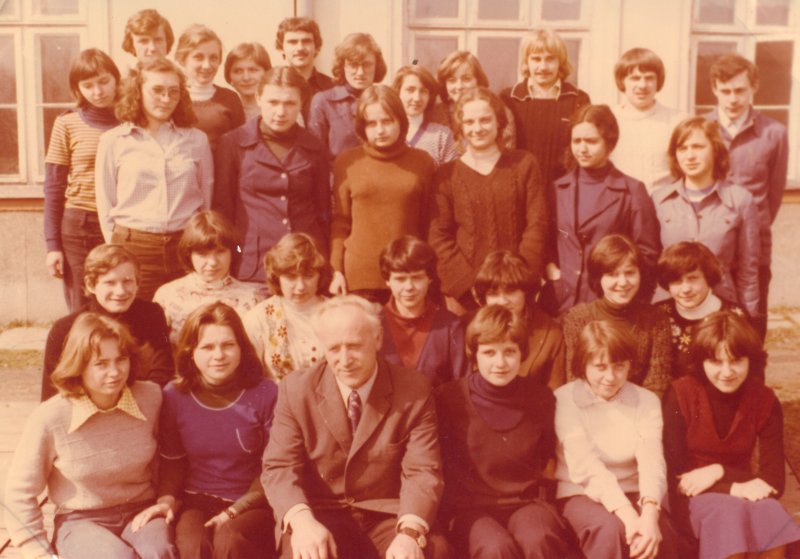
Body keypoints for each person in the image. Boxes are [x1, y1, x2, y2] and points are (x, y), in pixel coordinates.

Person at [261, 295, 449, 559]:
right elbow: (280, 467)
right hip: (320, 514)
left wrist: (409, 533)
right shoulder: (296, 389)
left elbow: (422, 470)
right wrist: (302, 522)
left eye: (354, 346)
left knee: (431, 552)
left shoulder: (413, 390)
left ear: (378, 339)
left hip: (388, 515)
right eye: (334, 348)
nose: (345, 359)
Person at [4, 313, 176, 559]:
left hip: (142, 510)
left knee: (160, 553)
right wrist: (39, 553)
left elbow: (172, 458)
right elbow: (19, 494)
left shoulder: (151, 398)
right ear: (79, 366)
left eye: (121, 359)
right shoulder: (51, 417)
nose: (114, 372)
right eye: (101, 364)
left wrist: (166, 501)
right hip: (81, 520)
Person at [131, 302, 278, 559]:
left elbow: (274, 466)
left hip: (253, 500)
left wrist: (234, 511)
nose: (219, 355)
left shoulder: (266, 392)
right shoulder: (175, 395)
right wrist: (166, 500)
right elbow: (173, 460)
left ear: (242, 348)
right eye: (207, 347)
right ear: (191, 352)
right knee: (193, 547)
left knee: (230, 541)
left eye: (228, 345)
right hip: (197, 500)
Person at [436, 305, 574, 558]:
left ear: (522, 353)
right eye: (489, 352)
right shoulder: (449, 398)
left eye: (509, 351)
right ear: (474, 354)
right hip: (469, 509)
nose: (500, 363)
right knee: (495, 547)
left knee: (538, 538)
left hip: (527, 503)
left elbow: (547, 455)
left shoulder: (541, 398)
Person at [662, 311, 800, 559]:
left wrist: (720, 472)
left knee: (771, 513)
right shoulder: (681, 394)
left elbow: (774, 481)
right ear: (702, 362)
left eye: (736, 360)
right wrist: (732, 488)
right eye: (716, 361)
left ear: (751, 360)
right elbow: (678, 479)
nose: (726, 372)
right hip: (691, 498)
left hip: (742, 489)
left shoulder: (764, 399)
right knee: (729, 514)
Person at [555, 320, 679, 559]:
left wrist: (649, 513)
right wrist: (629, 516)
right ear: (583, 364)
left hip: (636, 492)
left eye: (619, 366)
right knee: (611, 529)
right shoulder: (565, 399)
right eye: (600, 367)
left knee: (660, 534)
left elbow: (652, 460)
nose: (610, 377)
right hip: (581, 493)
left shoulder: (646, 400)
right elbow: (586, 466)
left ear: (630, 365)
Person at [95, 57, 213, 301]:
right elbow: (105, 204)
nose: (166, 98)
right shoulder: (113, 141)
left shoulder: (197, 140)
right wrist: (117, 252)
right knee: (136, 318)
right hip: (134, 246)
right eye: (157, 90)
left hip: (185, 246)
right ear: (138, 91)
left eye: (173, 92)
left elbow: (206, 200)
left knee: (189, 317)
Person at [428, 87, 546, 314]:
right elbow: (439, 236)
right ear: (460, 127)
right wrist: (467, 287)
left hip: (515, 293)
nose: (477, 128)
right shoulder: (446, 174)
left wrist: (519, 281)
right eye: (469, 122)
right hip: (465, 296)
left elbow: (537, 225)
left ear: (499, 122)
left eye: (485, 120)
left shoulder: (524, 164)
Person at [542, 103, 660, 317]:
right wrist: (553, 272)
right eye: (576, 141)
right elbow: (547, 242)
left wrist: (627, 302)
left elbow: (647, 256)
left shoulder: (632, 191)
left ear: (610, 143)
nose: (582, 149)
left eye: (591, 141)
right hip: (562, 304)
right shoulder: (558, 189)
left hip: (609, 307)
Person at [214, 66, 329, 283]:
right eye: (273, 102)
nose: (281, 112)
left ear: (302, 103)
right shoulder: (233, 143)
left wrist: (322, 260)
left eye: (290, 103)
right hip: (252, 263)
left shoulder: (315, 146)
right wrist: (235, 257)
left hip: (303, 265)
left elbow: (323, 214)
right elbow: (223, 212)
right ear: (258, 98)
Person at [704, 53, 789, 338]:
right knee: (708, 328)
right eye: (725, 91)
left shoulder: (774, 133)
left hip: (754, 247)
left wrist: (751, 227)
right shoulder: (701, 129)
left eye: (740, 90)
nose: (733, 99)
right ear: (714, 89)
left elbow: (774, 195)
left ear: (754, 87)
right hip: (711, 244)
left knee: (752, 324)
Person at [329, 84, 435, 303]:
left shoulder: (422, 162)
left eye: (387, 121)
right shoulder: (347, 162)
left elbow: (429, 222)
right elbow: (340, 221)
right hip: (360, 277)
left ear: (400, 121)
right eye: (372, 123)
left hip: (408, 275)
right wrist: (336, 270)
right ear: (362, 127)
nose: (380, 130)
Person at [654, 118, 761, 321]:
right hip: (669, 311)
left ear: (715, 150)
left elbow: (748, 270)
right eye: (682, 148)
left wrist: (749, 319)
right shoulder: (659, 200)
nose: (690, 156)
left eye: (698, 147)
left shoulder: (740, 200)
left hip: (720, 311)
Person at [41, 244, 173, 401]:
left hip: (142, 401)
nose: (121, 291)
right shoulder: (65, 328)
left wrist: (146, 401)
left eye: (128, 281)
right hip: (86, 406)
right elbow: (52, 390)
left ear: (137, 282)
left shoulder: (151, 314)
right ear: (91, 285)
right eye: (110, 283)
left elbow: (162, 368)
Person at [44, 48, 121, 312]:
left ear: (116, 79)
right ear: (77, 89)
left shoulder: (133, 120)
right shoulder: (67, 123)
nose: (98, 92)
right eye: (88, 85)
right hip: (80, 225)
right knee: (83, 305)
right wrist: (53, 246)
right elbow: (54, 188)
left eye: (104, 81)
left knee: (121, 300)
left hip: (123, 223)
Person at [561, 235, 672, 397]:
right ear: (599, 278)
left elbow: (657, 383)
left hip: (641, 408)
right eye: (612, 274)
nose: (623, 282)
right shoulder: (577, 319)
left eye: (629, 273)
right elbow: (576, 378)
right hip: (590, 407)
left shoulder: (656, 319)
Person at [153, 211, 267, 344]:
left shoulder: (253, 297)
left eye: (220, 252)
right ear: (188, 254)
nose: (213, 262)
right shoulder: (167, 295)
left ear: (232, 252)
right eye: (202, 254)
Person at [501, 28, 591, 189]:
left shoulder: (578, 99)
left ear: (560, 62)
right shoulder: (509, 99)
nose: (543, 66)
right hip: (521, 188)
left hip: (566, 188)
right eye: (536, 59)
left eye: (550, 59)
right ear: (526, 62)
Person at [378, 236, 467, 386]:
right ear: (387, 280)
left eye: (417, 278)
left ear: (429, 278)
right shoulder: (374, 323)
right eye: (400, 279)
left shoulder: (450, 326)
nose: (409, 287)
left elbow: (462, 385)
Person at [655, 241, 750, 381]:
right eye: (676, 280)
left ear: (708, 277)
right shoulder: (659, 314)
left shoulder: (735, 315)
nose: (686, 289)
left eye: (693, 278)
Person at [471, 250, 566, 389]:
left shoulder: (551, 333)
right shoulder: (468, 327)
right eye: (494, 294)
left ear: (525, 292)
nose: (502, 301)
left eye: (510, 291)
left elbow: (555, 391)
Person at [243, 232, 330, 381]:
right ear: (277, 277)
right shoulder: (258, 318)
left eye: (309, 276)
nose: (300, 286)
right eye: (291, 277)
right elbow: (250, 377)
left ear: (320, 275)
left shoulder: (336, 312)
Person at [610, 48, 684, 193]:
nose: (642, 85)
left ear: (658, 81)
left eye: (649, 78)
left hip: (664, 202)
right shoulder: (608, 119)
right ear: (622, 81)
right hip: (619, 201)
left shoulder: (678, 120)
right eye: (635, 78)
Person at [307, 32, 387, 161]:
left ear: (376, 66)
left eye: (367, 65)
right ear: (342, 66)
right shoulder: (323, 102)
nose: (360, 73)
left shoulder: (385, 100)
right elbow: (315, 155)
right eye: (353, 65)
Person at [175, 24, 246, 153]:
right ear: (182, 59)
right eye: (198, 57)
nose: (207, 65)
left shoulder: (230, 99)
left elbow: (241, 148)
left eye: (213, 58)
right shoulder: (172, 97)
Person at [431, 50, 516, 150]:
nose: (459, 86)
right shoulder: (434, 114)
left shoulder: (499, 111)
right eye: (452, 80)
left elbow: (506, 151)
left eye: (466, 79)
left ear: (478, 81)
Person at [391, 64, 457, 167]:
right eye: (410, 90)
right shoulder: (386, 132)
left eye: (423, 91)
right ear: (397, 91)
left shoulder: (442, 136)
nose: (417, 98)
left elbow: (452, 175)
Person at [274, 16, 334, 120]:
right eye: (292, 42)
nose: (300, 48)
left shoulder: (332, 88)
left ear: (317, 47)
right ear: (281, 48)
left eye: (306, 41)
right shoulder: (270, 87)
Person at [224, 42, 272, 120]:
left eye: (253, 70)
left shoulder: (278, 110)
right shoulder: (224, 112)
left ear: (266, 72)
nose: (246, 78)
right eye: (238, 71)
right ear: (229, 76)